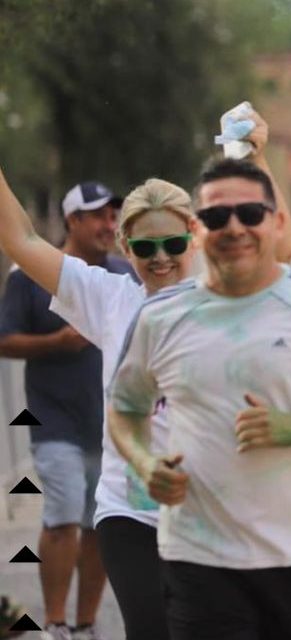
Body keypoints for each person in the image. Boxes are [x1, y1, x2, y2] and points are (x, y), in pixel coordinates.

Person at [0, 110, 288, 640]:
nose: (161, 258)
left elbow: (275, 241)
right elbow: (20, 239)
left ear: (195, 239)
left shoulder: (229, 293)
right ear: (125, 248)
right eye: (146, 247)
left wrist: (255, 156)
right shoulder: (107, 297)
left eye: (174, 244)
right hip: (129, 509)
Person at [108, 158, 291, 640]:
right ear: (199, 230)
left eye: (251, 213)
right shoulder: (160, 317)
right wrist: (143, 462)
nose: (235, 227)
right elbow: (125, 409)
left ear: (278, 221)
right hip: (197, 557)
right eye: (218, 217)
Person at [0, 179, 135, 640]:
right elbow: (4, 340)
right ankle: (54, 623)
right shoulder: (31, 277)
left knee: (98, 526)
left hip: (107, 427)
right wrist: (57, 342)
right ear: (73, 220)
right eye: (98, 215)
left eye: (113, 216)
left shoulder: (125, 276)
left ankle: (85, 624)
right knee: (62, 517)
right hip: (53, 422)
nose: (109, 225)